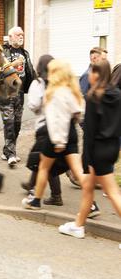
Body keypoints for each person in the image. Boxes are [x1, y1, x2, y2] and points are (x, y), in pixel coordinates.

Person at [21, 60, 97, 212]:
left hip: (56, 135)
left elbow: (57, 119)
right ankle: (92, 205)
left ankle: (36, 201)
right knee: (78, 172)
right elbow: (79, 111)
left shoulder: (56, 93)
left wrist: (58, 141)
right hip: (72, 133)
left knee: (43, 168)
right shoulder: (72, 90)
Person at [59, 60, 121, 239]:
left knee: (113, 193)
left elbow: (90, 133)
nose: (89, 76)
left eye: (92, 72)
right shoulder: (117, 94)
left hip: (98, 152)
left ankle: (78, 225)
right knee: (87, 187)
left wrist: (86, 162)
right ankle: (78, 225)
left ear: (98, 75)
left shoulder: (93, 97)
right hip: (112, 147)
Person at [22, 55, 65, 206]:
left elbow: (33, 105)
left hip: (43, 126)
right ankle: (32, 185)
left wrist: (42, 101)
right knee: (44, 160)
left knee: (44, 161)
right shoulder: (58, 82)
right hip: (58, 125)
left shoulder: (37, 83)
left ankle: (53, 195)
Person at [0, 26, 35, 167]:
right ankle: (11, 154)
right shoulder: (2, 52)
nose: (21, 37)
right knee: (9, 123)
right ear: (10, 36)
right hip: (6, 93)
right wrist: (13, 64)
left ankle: (7, 150)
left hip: (19, 94)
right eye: (18, 35)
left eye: (22, 35)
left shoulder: (24, 53)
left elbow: (30, 72)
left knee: (17, 124)